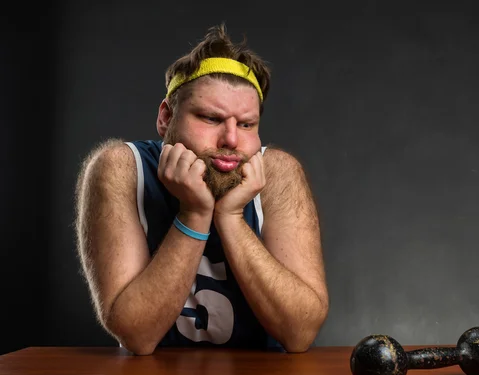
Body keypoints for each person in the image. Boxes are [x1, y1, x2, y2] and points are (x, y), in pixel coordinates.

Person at [74, 24, 329, 355]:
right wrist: (194, 215)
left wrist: (231, 217)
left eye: (247, 124)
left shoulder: (278, 173)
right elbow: (137, 335)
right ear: (166, 117)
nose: (231, 140)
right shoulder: (120, 168)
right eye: (210, 118)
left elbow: (300, 332)